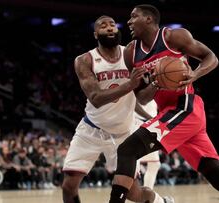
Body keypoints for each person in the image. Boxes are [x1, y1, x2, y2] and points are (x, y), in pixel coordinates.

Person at [108, 4, 219, 203]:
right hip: (171, 115)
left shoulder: (173, 37)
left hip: (185, 108)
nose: (129, 22)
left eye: (134, 17)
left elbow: (211, 57)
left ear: (149, 19)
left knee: (127, 149)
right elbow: (142, 97)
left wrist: (195, 74)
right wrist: (155, 83)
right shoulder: (131, 53)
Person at [62, 15, 172, 203]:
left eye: (112, 24)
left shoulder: (130, 55)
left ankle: (161, 202)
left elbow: (140, 97)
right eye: (103, 26)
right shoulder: (85, 60)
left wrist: (158, 81)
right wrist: (130, 84)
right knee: (69, 185)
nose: (110, 28)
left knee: (133, 194)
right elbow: (96, 98)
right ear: (96, 34)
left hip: (123, 134)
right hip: (91, 129)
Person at [135, 101, 161, 189]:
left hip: (149, 125)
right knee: (134, 164)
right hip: (140, 123)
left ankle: (146, 194)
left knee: (154, 164)